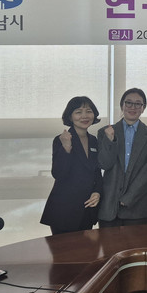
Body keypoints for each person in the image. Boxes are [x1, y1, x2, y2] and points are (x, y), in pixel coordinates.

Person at [97, 88, 147, 226]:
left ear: (143, 108)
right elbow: (104, 164)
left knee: (139, 241)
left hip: (139, 208)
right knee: (108, 241)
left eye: (138, 104)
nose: (133, 107)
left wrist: (129, 198)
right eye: (129, 103)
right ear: (122, 105)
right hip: (109, 206)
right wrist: (110, 141)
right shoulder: (105, 132)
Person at [41, 96, 103, 235]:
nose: (84, 116)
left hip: (87, 208)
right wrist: (66, 147)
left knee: (86, 249)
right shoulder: (61, 139)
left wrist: (97, 192)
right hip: (64, 210)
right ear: (70, 116)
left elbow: (97, 172)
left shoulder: (94, 141)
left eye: (88, 111)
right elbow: (58, 174)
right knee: (63, 249)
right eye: (78, 112)